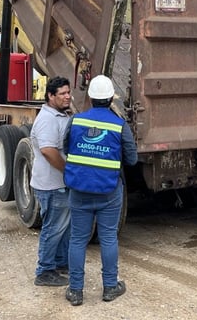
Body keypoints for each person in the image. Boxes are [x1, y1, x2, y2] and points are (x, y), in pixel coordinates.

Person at [63, 75, 138, 306]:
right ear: (110, 99)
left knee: (77, 239)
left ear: (91, 98)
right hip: (108, 191)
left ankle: (75, 291)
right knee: (107, 238)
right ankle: (109, 287)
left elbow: (66, 148)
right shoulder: (119, 125)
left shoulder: (76, 121)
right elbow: (132, 159)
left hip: (79, 190)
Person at [30, 76, 73, 287]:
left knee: (64, 227)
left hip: (58, 183)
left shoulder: (60, 115)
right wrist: (68, 172)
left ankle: (60, 263)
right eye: (62, 94)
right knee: (54, 227)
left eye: (68, 92)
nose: (67, 96)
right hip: (52, 184)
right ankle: (45, 271)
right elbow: (48, 150)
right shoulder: (47, 119)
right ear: (50, 96)